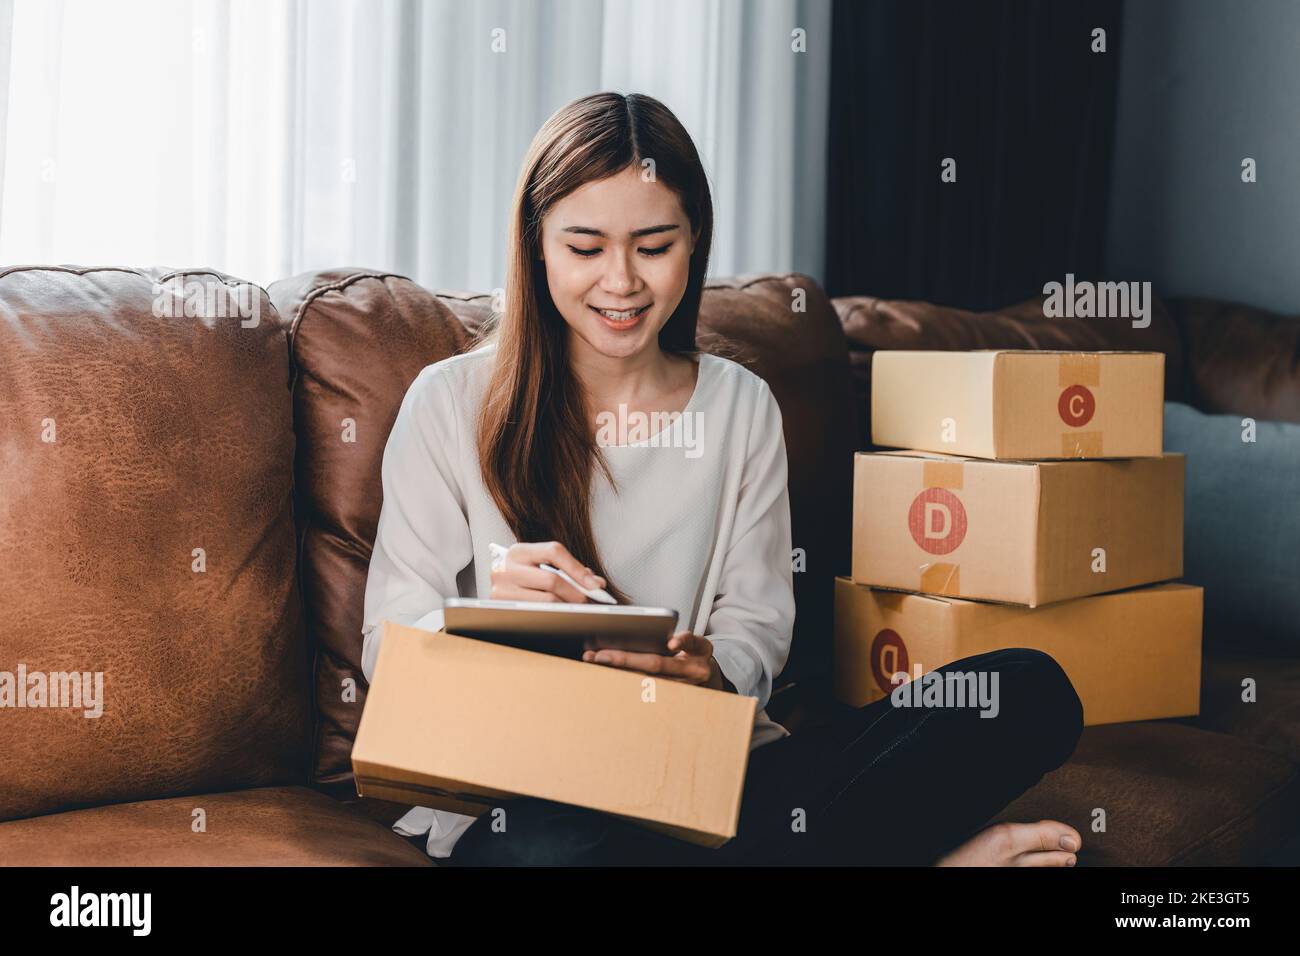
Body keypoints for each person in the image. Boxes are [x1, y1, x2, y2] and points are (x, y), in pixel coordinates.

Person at [360, 91, 1084, 867]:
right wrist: (483, 615)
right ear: (537, 246)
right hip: (529, 794)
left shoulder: (741, 406)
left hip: (705, 771)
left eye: (653, 244)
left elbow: (757, 633)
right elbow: (386, 647)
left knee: (1025, 688)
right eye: (585, 247)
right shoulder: (449, 401)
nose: (621, 281)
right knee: (555, 853)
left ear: (694, 240)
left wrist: (707, 669)